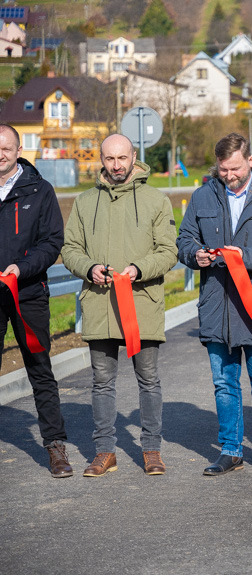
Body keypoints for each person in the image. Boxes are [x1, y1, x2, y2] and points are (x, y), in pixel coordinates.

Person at [177, 135, 252, 477]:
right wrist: (194, 255)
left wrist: (244, 258)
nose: (229, 174)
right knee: (224, 383)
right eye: (223, 168)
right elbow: (185, 240)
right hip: (217, 304)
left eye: (235, 167)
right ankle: (230, 449)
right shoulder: (202, 196)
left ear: (251, 160)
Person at [61, 134, 178, 477]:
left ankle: (152, 449)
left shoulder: (157, 200)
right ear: (101, 159)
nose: (116, 165)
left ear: (133, 157)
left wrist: (139, 269)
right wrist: (88, 267)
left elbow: (168, 250)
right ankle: (104, 452)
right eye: (109, 159)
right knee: (101, 381)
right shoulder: (83, 202)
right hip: (99, 304)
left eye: (122, 158)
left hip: (141, 303)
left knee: (149, 379)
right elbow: (70, 249)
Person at [0, 124, 72, 478]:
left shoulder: (39, 190)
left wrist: (21, 268)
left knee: (40, 370)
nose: (1, 154)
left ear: (18, 149)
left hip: (27, 293)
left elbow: (51, 242)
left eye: (6, 148)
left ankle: (55, 447)